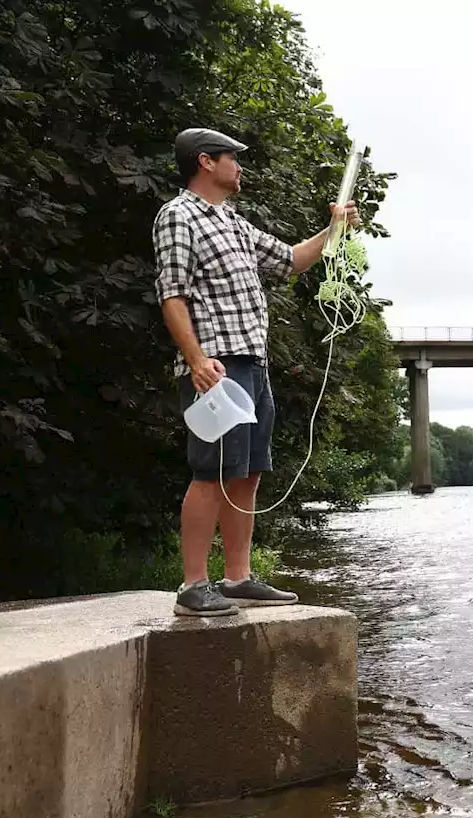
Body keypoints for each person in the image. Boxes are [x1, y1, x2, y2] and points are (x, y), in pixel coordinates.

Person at [153, 127, 362, 617]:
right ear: (205, 162)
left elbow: (291, 259)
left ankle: (237, 578)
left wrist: (334, 229)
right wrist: (198, 360)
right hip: (216, 366)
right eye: (233, 158)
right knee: (213, 471)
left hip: (253, 362)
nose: (239, 166)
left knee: (247, 471)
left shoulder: (234, 223)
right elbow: (172, 295)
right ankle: (192, 585)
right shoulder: (178, 216)